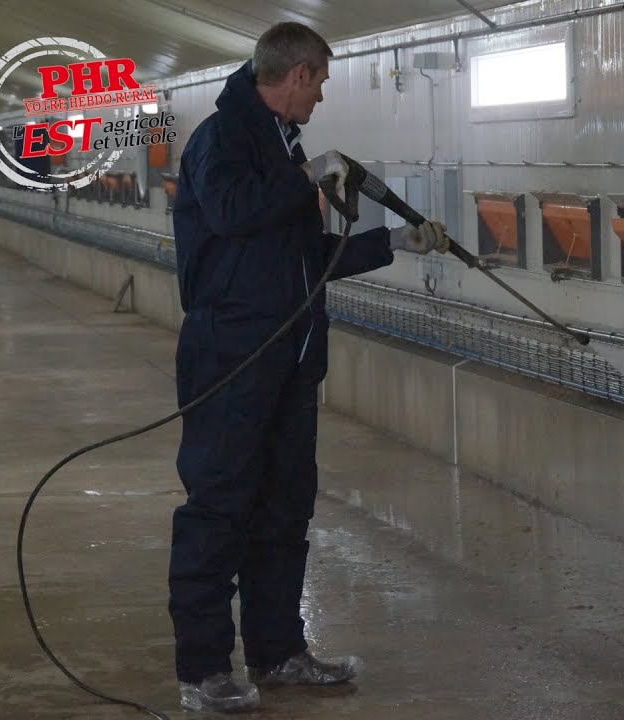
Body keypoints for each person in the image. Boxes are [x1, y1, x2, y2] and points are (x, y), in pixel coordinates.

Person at [168, 22, 449, 713]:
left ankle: (278, 652)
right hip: (233, 359)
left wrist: (395, 241)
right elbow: (233, 213)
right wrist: (304, 176)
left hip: (290, 364)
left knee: (284, 512)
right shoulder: (222, 139)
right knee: (218, 512)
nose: (321, 97)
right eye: (318, 82)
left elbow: (306, 260)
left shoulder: (279, 142)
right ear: (294, 76)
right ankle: (204, 671)